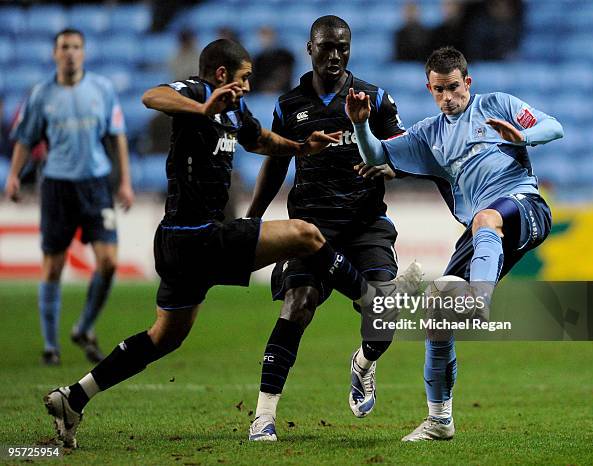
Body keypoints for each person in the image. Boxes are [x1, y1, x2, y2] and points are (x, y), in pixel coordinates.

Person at [42, 38, 419, 449]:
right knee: (306, 235)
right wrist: (202, 107)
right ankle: (367, 298)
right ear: (222, 74)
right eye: (244, 79)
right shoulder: (198, 91)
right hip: (197, 236)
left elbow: (260, 141)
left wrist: (299, 147)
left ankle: (75, 397)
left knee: (164, 337)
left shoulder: (235, 109)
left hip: (178, 247)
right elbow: (153, 96)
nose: (247, 87)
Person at [347, 46, 563, 441]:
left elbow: (554, 126)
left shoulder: (496, 104)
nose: (447, 97)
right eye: (438, 90)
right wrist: (361, 126)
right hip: (480, 234)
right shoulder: (429, 135)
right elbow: (377, 153)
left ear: (468, 82)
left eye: (453, 88)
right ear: (429, 89)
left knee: (486, 218)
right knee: (437, 313)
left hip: (525, 206)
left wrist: (524, 136)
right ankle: (439, 420)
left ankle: (479, 299)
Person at [246, 15, 419, 442]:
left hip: (365, 226)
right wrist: (252, 216)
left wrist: (391, 165)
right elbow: (276, 163)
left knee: (382, 315)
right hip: (310, 226)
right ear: (310, 49)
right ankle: (263, 416)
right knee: (298, 304)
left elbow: (405, 153)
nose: (336, 55)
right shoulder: (290, 105)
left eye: (343, 46)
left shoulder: (374, 99)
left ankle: (363, 363)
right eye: (327, 47)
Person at [5, 29, 134, 366]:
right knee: (53, 266)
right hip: (58, 187)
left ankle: (84, 327)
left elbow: (117, 136)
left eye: (76, 47)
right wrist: (14, 177)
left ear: (84, 53)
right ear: (54, 54)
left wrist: (125, 183)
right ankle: (51, 345)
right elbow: (24, 138)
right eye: (64, 47)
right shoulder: (41, 94)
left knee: (108, 262)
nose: (71, 53)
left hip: (95, 185)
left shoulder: (102, 89)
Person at [250, 26, 295, 94]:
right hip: (260, 95)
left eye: (268, 36)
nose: (265, 40)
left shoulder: (286, 56)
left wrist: (273, 85)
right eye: (263, 36)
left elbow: (285, 74)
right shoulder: (257, 59)